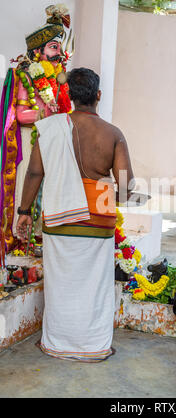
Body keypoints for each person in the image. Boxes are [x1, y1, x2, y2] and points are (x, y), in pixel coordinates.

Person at [16, 67, 134, 362]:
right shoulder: (114, 134)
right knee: (95, 283)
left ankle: (57, 343)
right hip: (100, 214)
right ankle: (94, 345)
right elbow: (125, 187)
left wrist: (24, 211)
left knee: (61, 281)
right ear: (98, 96)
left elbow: (34, 172)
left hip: (60, 213)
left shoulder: (51, 127)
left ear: (68, 95)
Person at [1, 4, 73, 251]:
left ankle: (39, 238)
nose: (59, 53)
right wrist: (44, 113)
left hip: (49, 143)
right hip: (29, 141)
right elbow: (20, 115)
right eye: (54, 47)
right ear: (38, 51)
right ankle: (21, 239)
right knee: (27, 187)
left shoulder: (56, 79)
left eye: (59, 48)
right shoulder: (26, 76)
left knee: (46, 190)